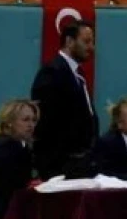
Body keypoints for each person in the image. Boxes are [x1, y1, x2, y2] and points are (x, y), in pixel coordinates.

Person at [30, 20, 98, 180]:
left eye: (92, 42)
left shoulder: (77, 74)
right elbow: (47, 122)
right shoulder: (52, 73)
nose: (91, 47)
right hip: (60, 165)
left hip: (79, 162)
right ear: (69, 41)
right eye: (86, 41)